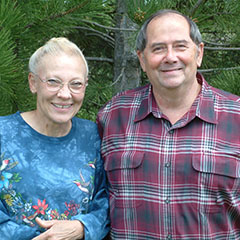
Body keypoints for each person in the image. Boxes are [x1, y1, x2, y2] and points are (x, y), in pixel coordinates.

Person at [97, 9, 240, 239]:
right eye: (158, 48)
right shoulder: (113, 115)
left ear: (199, 53)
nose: (170, 57)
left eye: (180, 46)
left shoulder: (236, 117)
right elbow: (94, 198)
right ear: (142, 59)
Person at [0, 37, 109, 240]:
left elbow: (107, 201)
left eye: (75, 84)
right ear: (33, 83)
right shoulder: (3, 133)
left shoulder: (93, 135)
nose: (65, 94)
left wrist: (82, 228)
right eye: (53, 82)